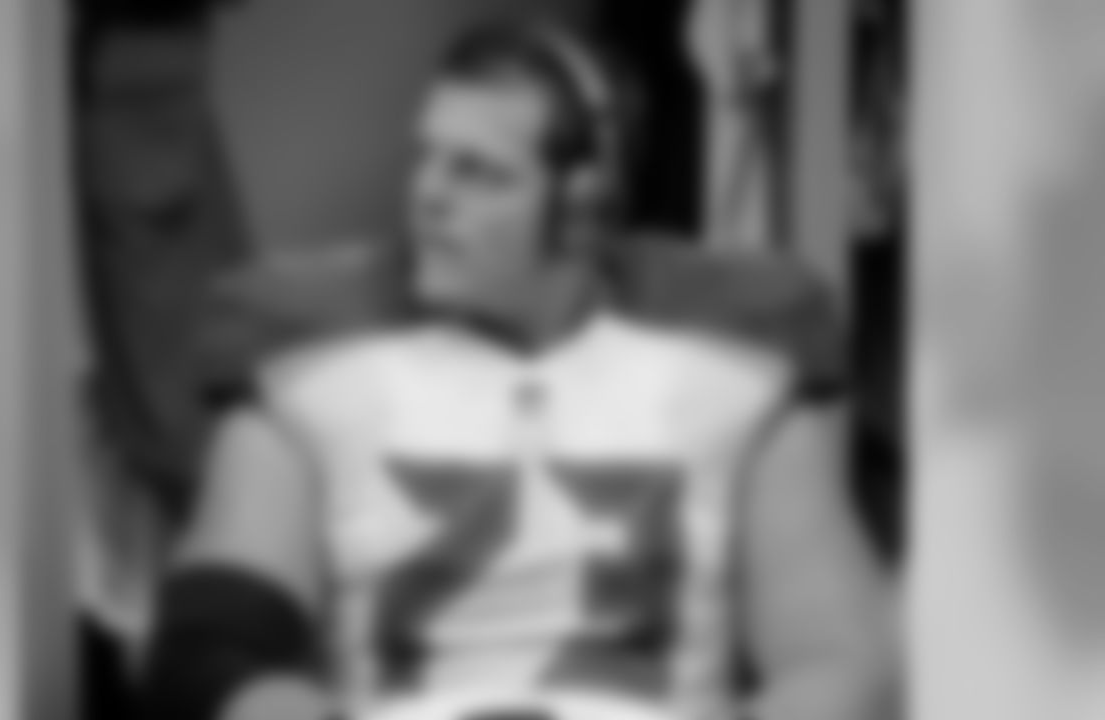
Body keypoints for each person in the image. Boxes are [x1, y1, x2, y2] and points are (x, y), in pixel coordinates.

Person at [143, 18, 897, 720]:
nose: (427, 195)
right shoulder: (309, 361)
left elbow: (838, 658)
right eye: (424, 157)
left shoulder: (739, 361)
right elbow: (209, 646)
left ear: (582, 206)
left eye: (476, 172)